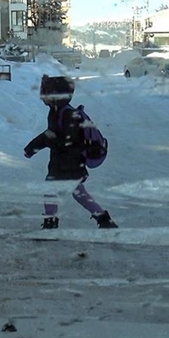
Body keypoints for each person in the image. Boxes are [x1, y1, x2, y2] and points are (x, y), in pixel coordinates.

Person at [23, 75, 117, 229]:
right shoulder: (56, 111)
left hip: (69, 162)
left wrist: (47, 141)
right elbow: (50, 134)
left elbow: (65, 140)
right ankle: (104, 219)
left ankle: (50, 224)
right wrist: (31, 148)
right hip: (65, 162)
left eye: (45, 93)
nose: (41, 97)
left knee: (52, 190)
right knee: (78, 193)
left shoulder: (68, 115)